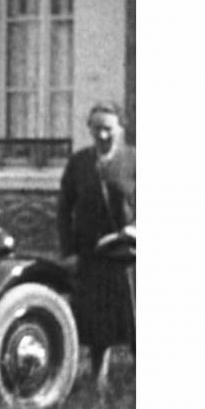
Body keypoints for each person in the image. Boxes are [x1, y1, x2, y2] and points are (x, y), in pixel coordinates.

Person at [57, 101, 136, 389]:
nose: (102, 135)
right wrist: (69, 253)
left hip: (127, 257)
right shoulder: (79, 163)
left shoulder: (133, 161)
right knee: (96, 327)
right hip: (91, 257)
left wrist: (132, 230)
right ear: (89, 129)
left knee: (135, 322)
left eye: (108, 129)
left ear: (120, 128)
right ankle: (96, 387)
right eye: (96, 129)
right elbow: (64, 209)